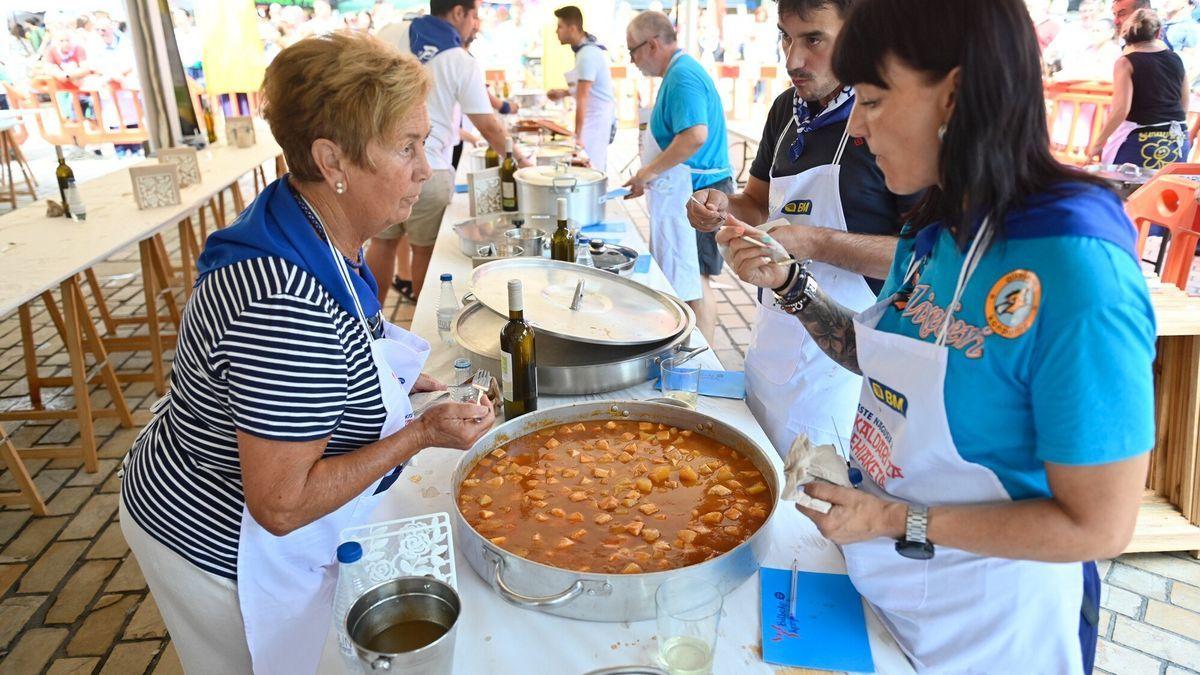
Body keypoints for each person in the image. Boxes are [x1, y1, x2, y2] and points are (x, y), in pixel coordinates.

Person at [721, 0, 1153, 670]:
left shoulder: (1076, 266)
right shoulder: (940, 229)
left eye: (872, 100)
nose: (858, 131)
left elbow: (1099, 524)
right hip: (884, 591)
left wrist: (893, 519)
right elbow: (874, 357)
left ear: (951, 94)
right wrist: (789, 285)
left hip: (989, 630)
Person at [118, 33, 495, 675]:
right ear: (333, 161)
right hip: (216, 542)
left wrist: (391, 390)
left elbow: (338, 355)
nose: (425, 168)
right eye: (407, 147)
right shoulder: (284, 306)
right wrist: (419, 434)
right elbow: (282, 503)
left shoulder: (310, 218)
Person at [687, 0, 914, 455]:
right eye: (785, 37)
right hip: (772, 340)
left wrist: (812, 241)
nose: (792, 59)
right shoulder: (785, 111)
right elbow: (755, 202)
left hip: (843, 373)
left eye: (813, 39)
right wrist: (719, 207)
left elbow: (924, 258)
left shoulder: (889, 122)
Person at [371, 0, 529, 305]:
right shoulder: (460, 60)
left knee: (381, 244)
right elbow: (489, 127)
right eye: (474, 16)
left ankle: (371, 328)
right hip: (427, 167)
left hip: (380, 163)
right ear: (458, 12)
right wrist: (522, 162)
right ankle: (422, 336)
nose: (476, 24)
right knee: (424, 251)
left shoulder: (389, 32)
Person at [624, 10, 733, 344]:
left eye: (633, 51)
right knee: (688, 282)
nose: (633, 61)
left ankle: (703, 360)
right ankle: (694, 356)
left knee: (695, 283)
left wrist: (647, 172)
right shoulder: (676, 74)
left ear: (653, 45)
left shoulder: (683, 76)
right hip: (685, 192)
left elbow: (695, 135)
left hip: (702, 193)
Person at [1088, 9, 1189, 168]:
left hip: (1142, 139)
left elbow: (1121, 109)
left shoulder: (1125, 63)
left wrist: (1098, 143)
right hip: (1177, 139)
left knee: (1126, 191)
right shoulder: (1175, 59)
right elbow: (1184, 105)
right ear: (1157, 33)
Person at [547, 5, 617, 172]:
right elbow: (587, 89)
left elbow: (583, 97)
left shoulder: (587, 55)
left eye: (560, 27)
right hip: (595, 117)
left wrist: (577, 136)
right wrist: (564, 92)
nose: (556, 32)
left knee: (591, 168)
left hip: (595, 119)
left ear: (572, 28)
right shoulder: (584, 51)